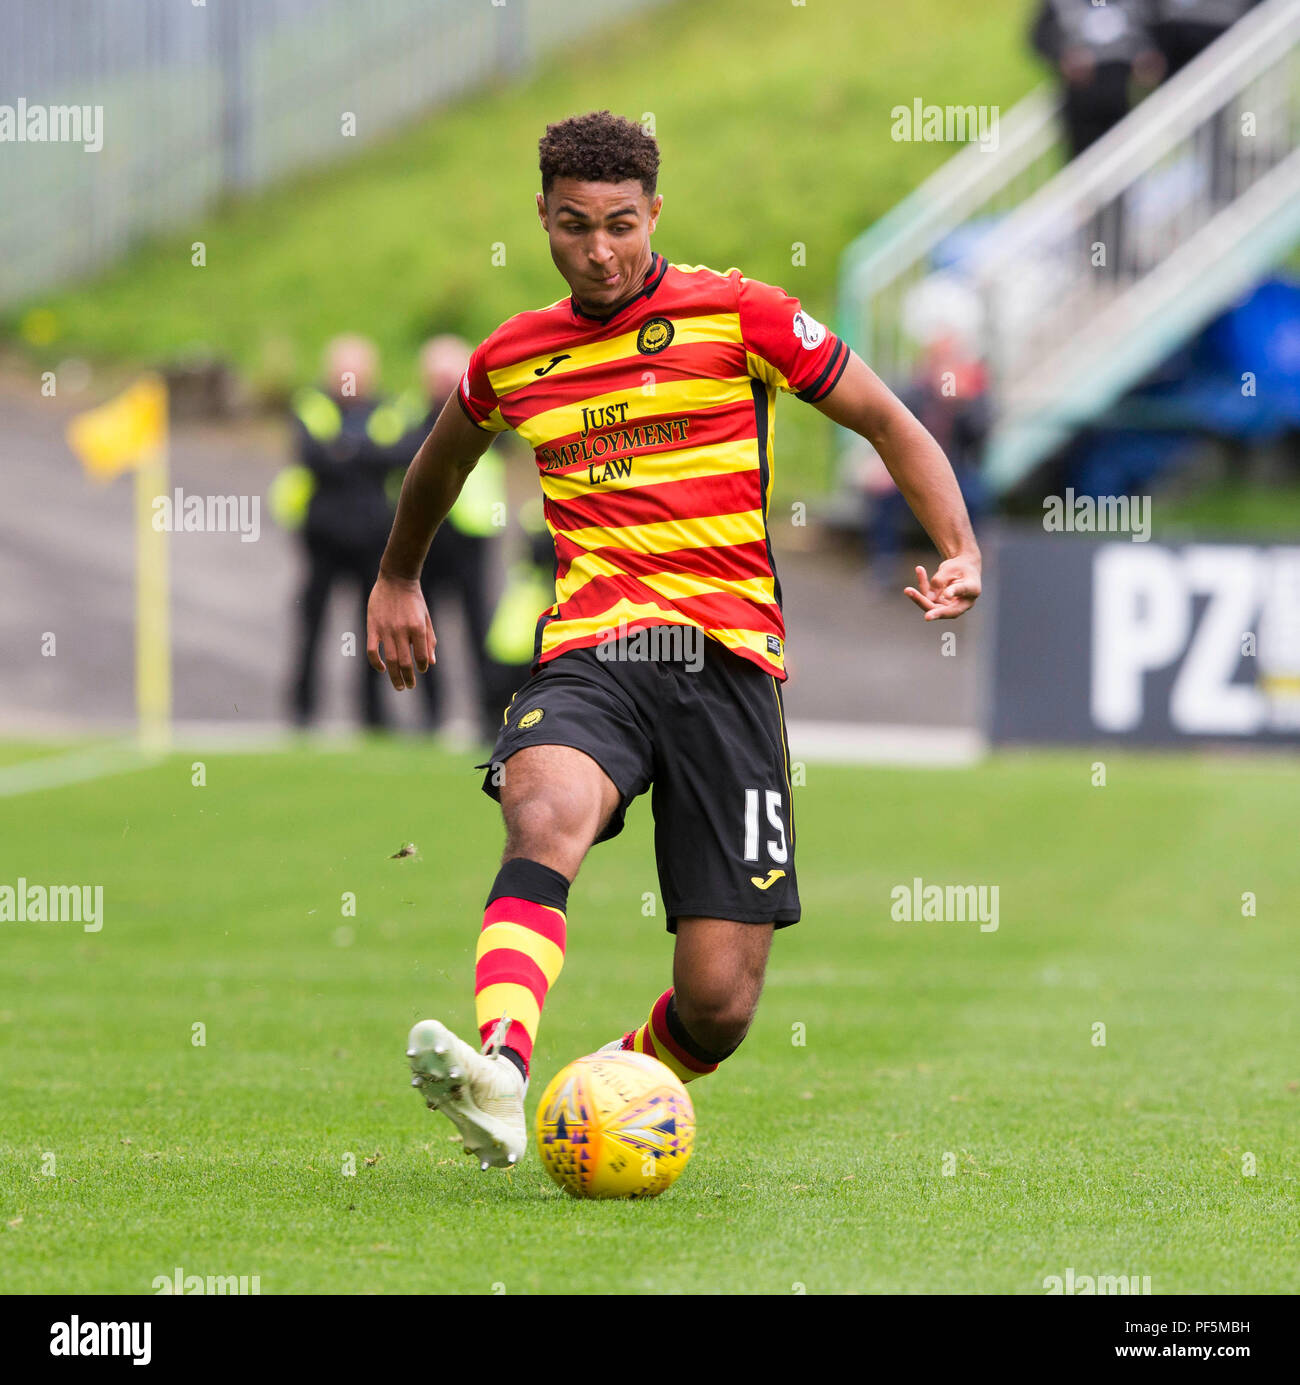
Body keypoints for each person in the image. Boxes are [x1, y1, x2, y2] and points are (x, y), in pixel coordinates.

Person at [366, 111, 981, 1171]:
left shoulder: (743, 315)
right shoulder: (514, 356)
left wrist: (960, 546)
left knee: (718, 1004)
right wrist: (397, 572)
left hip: (728, 666)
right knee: (542, 807)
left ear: (654, 212)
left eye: (617, 225)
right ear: (544, 220)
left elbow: (887, 418)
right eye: (572, 227)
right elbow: (440, 459)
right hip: (597, 648)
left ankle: (599, 1085)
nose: (597, 251)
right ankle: (502, 1069)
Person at [289, 335, 405, 729]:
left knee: (373, 632)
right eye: (343, 370)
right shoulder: (313, 405)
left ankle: (374, 716)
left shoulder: (388, 409)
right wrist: (362, 452)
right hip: (322, 538)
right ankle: (303, 711)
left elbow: (399, 455)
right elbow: (312, 456)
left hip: (373, 541)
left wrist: (346, 450)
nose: (348, 378)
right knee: (311, 626)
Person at [399, 336, 504, 738]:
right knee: (424, 625)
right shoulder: (411, 413)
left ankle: (488, 713)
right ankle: (431, 715)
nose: (442, 385)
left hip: (471, 533)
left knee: (480, 627)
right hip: (429, 535)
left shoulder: (482, 408)